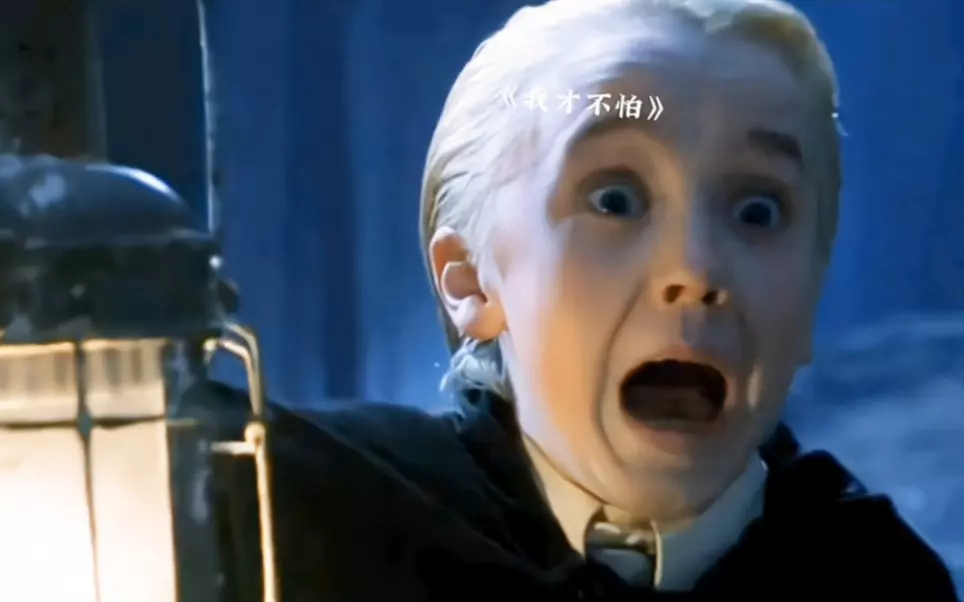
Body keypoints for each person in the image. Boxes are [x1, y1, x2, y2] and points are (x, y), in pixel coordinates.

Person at [205, 0, 960, 600]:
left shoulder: (877, 578)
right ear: (470, 278)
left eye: (757, 211)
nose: (697, 268)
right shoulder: (305, 514)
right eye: (615, 199)